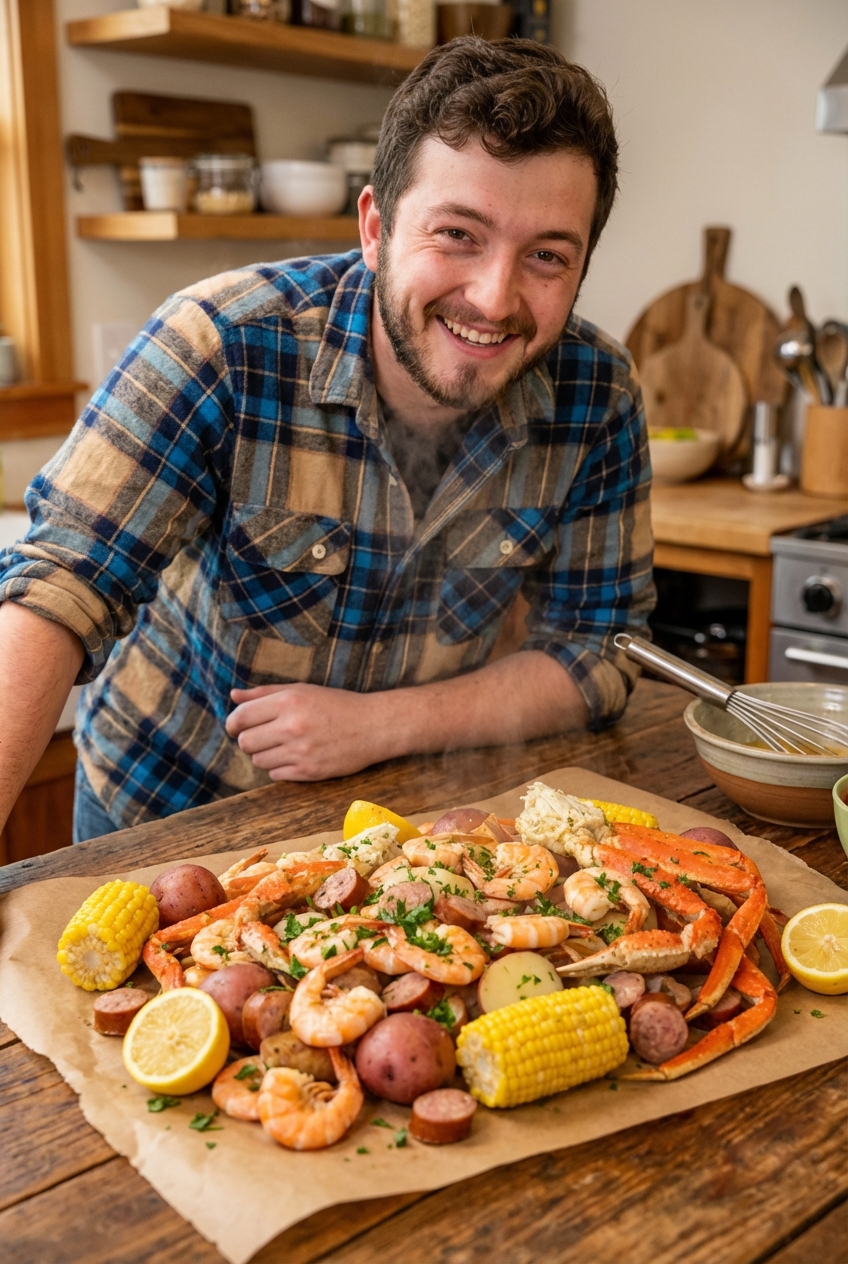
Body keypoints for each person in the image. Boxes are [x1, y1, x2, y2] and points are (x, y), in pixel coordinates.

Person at [0, 37, 654, 845]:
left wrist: (381, 724)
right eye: (458, 234)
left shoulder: (599, 395)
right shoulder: (221, 342)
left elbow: (599, 649)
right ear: (376, 228)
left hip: (409, 822)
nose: (494, 299)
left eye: (547, 256)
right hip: (167, 806)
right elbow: (59, 588)